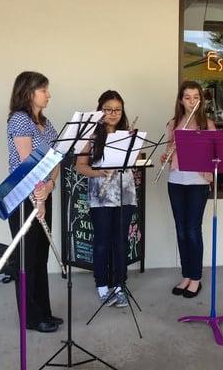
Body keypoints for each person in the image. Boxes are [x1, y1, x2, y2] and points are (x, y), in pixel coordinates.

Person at [7, 71, 62, 333]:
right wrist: (38, 197)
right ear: (29, 92)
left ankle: (44, 312)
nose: (48, 94)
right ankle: (31, 317)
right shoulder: (19, 120)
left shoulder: (45, 122)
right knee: (27, 258)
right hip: (23, 196)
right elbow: (29, 164)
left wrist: (49, 186)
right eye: (44, 90)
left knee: (40, 257)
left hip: (42, 193)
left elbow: (55, 158)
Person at [76, 90, 136, 308]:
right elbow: (80, 166)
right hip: (100, 195)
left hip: (125, 193)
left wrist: (133, 149)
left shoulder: (128, 133)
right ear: (100, 110)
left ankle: (120, 285)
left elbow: (135, 161)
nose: (113, 114)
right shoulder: (90, 135)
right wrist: (99, 172)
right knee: (102, 242)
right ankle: (102, 284)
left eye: (117, 110)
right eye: (108, 109)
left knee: (121, 241)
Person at [162, 81, 215, 299]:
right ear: (181, 100)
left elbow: (214, 155)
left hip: (197, 182)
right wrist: (166, 156)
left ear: (201, 100)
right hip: (176, 180)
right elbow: (168, 149)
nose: (192, 101)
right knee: (181, 229)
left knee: (193, 230)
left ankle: (196, 278)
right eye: (187, 97)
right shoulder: (174, 123)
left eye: (195, 97)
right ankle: (186, 275)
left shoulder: (207, 124)